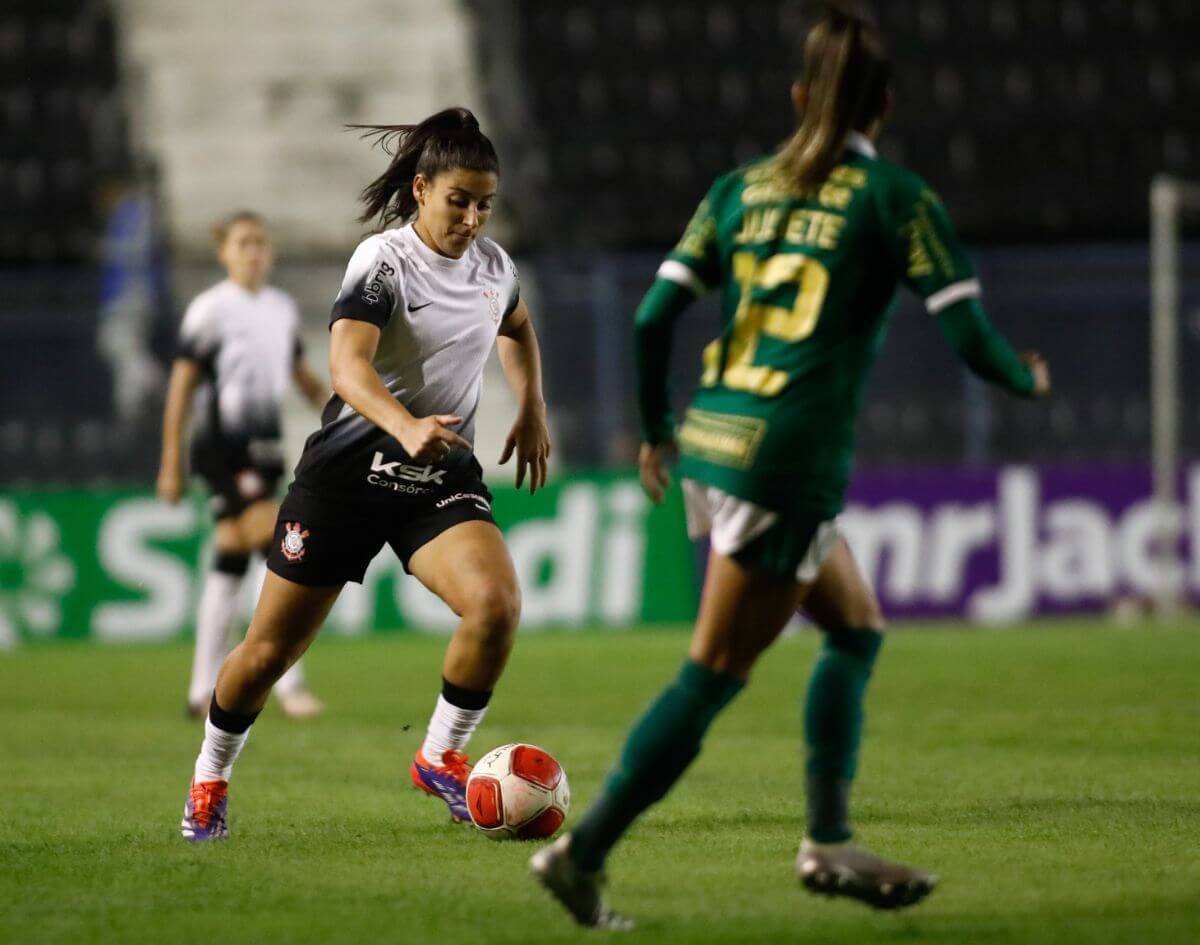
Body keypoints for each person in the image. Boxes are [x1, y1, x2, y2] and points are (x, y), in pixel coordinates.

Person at [531, 4, 1051, 929]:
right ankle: (584, 850)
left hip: (713, 439)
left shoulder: (739, 189)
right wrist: (1026, 375)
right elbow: (972, 341)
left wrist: (655, 428)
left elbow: (652, 318)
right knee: (715, 670)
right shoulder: (897, 200)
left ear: (800, 95)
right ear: (883, 106)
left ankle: (829, 835)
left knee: (853, 625)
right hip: (788, 459)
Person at [178, 107, 552, 842]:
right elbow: (346, 366)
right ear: (421, 189)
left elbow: (518, 327)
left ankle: (440, 756)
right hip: (347, 478)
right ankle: (210, 776)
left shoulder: (495, 268)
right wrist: (405, 423)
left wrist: (532, 404)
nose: (473, 217)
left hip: (436, 475)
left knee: (497, 604)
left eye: (485, 204)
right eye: (459, 200)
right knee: (267, 655)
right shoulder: (383, 261)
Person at [158, 211, 327, 721]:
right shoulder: (210, 310)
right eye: (244, 242)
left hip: (267, 446)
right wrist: (170, 458)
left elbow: (301, 375)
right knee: (280, 544)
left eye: (261, 242)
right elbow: (183, 384)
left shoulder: (279, 307)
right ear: (224, 252)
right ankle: (289, 683)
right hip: (223, 447)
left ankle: (199, 690)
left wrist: (346, 408)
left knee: (231, 558)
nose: (254, 251)